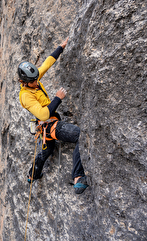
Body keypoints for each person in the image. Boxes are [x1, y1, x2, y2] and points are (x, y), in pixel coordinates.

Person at [17, 37, 89, 194]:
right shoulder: (25, 96)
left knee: (46, 151)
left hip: (47, 126)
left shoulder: (33, 80)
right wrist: (58, 98)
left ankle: (32, 174)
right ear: (24, 82)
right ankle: (78, 178)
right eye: (33, 82)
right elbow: (43, 114)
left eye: (37, 79)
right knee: (79, 135)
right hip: (49, 124)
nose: (37, 82)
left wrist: (60, 47)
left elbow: (46, 64)